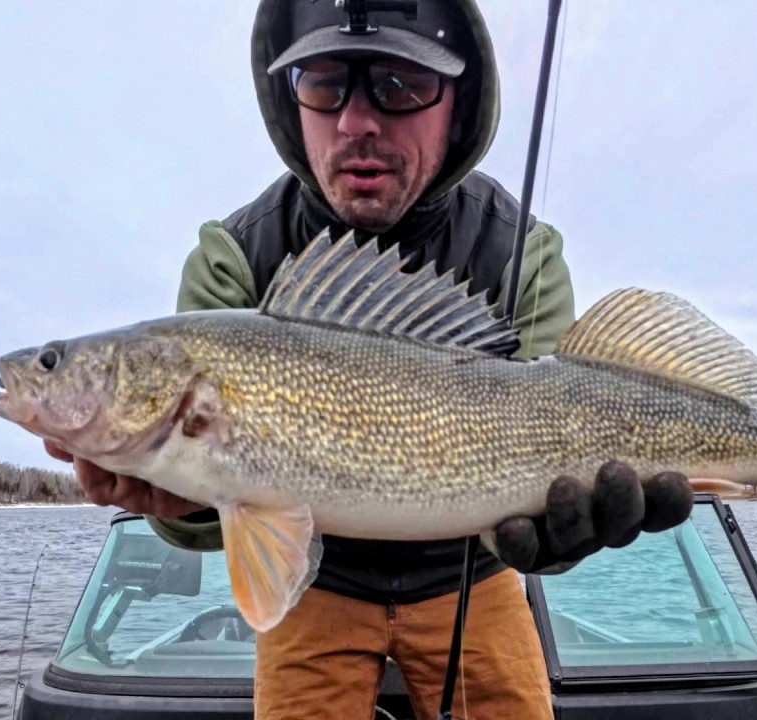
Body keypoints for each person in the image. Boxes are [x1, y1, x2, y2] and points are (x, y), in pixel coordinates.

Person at [45, 1, 695, 717]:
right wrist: (181, 508)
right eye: (324, 85)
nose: (357, 122)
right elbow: (211, 516)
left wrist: (564, 540)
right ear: (292, 102)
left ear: (460, 103)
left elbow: (559, 480)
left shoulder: (522, 250)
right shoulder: (234, 256)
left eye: (400, 84)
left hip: (472, 580)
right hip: (316, 589)